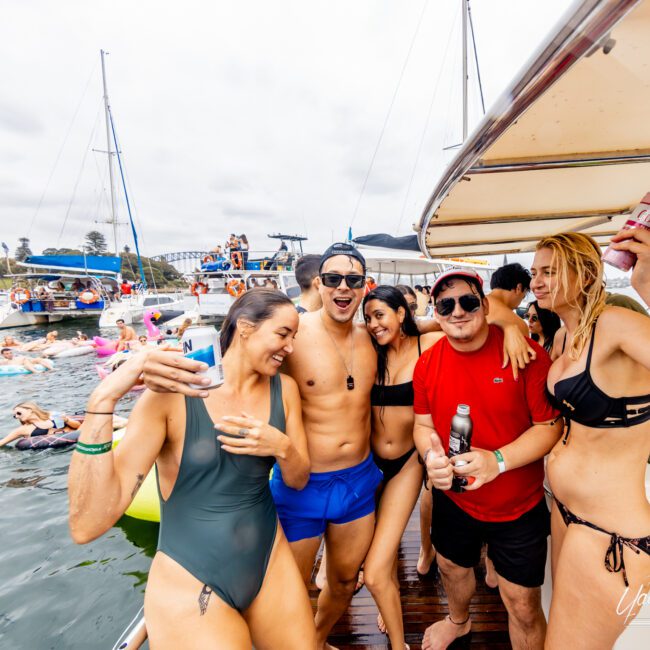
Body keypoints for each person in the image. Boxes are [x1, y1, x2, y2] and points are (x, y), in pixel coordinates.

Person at [68, 290, 316, 649]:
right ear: (245, 328)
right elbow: (86, 525)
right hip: (191, 577)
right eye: (283, 334)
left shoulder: (285, 389)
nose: (291, 347)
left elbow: (297, 479)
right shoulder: (170, 395)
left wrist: (281, 446)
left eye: (294, 336)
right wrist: (103, 399)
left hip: (269, 563)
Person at [415, 268, 562, 650]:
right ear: (437, 311)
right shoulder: (428, 363)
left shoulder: (525, 354)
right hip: (456, 498)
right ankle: (458, 621)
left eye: (467, 301)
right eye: (446, 304)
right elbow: (422, 423)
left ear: (484, 305)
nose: (457, 311)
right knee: (450, 566)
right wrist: (431, 456)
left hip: (518, 506)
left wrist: (496, 461)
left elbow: (550, 427)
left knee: (523, 605)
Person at [531, 232, 650, 649]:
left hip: (611, 534)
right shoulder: (563, 337)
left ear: (584, 275)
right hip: (565, 513)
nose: (537, 282)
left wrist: (646, 287)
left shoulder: (615, 325)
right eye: (534, 273)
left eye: (549, 271)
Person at [362, 286, 443, 649]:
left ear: (400, 313)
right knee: (379, 559)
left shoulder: (430, 345)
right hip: (367, 462)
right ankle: (388, 598)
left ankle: (399, 643)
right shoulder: (366, 349)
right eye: (368, 318)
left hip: (408, 462)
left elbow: (477, 324)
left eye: (380, 315)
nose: (373, 324)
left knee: (379, 564)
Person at [0, 402, 81, 447]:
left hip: (77, 441)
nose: (17, 416)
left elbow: (78, 426)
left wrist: (66, 420)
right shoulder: (23, 429)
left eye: (18, 413)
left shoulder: (52, 414)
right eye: (15, 416)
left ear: (30, 410)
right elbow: (2, 442)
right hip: (56, 450)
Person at [487, 263, 532, 336]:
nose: (517, 306)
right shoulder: (517, 325)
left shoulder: (470, 306)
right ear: (519, 288)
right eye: (523, 297)